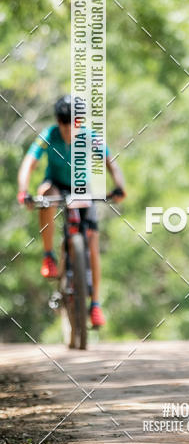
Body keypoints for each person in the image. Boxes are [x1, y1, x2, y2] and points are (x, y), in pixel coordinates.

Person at [17, 94, 126, 328]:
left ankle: (95, 304)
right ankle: (49, 255)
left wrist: (119, 187)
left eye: (73, 123)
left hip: (81, 187)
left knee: (92, 241)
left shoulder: (89, 136)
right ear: (58, 121)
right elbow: (28, 164)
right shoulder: (48, 136)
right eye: (63, 123)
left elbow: (111, 163)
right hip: (56, 184)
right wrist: (23, 191)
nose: (68, 129)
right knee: (45, 193)